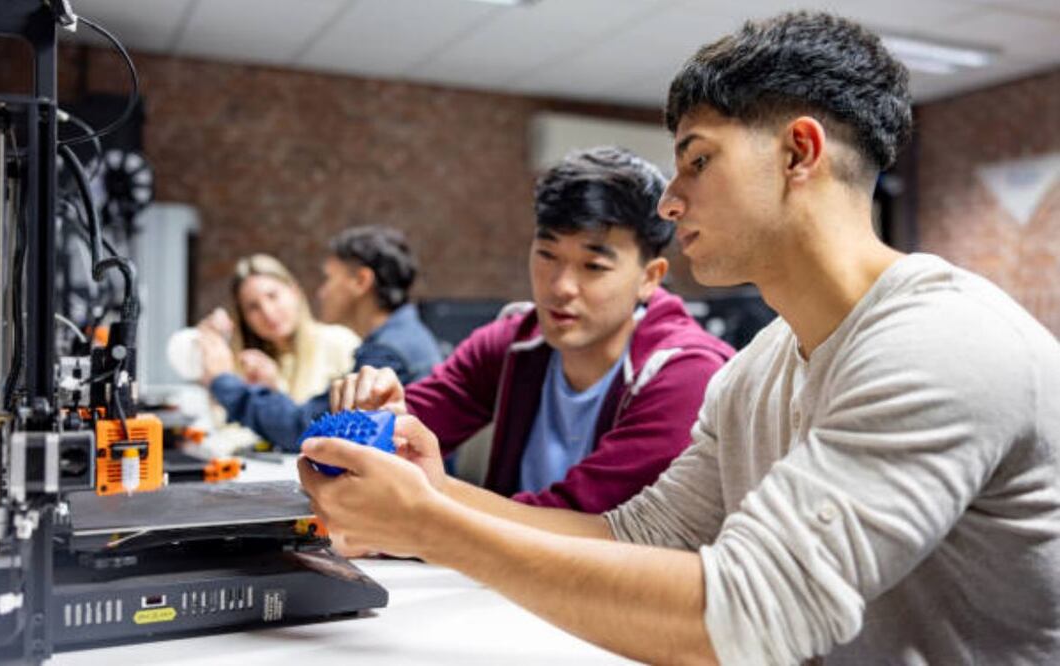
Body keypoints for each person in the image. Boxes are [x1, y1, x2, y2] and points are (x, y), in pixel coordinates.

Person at [299, 11, 1060, 665]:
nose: (671, 195)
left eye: (698, 159)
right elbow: (638, 534)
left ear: (798, 153)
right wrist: (437, 496)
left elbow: (749, 616)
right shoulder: (759, 368)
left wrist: (431, 525)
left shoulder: (940, 343)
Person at [332, 146, 733, 513]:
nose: (560, 287)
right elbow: (407, 427)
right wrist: (377, 420)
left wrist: (429, 500)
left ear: (650, 277)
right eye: (547, 255)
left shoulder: (686, 375)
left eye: (594, 267)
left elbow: (588, 522)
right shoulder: (514, 342)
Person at [203, 225, 442, 450]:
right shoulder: (400, 337)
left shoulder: (387, 351)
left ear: (361, 281)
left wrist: (223, 381)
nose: (321, 292)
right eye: (253, 307)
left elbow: (306, 428)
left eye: (329, 278)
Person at [197, 253, 360, 403]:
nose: (268, 312)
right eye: (253, 307)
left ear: (294, 292)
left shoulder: (340, 343)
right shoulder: (247, 363)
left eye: (273, 296)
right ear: (243, 317)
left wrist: (275, 390)